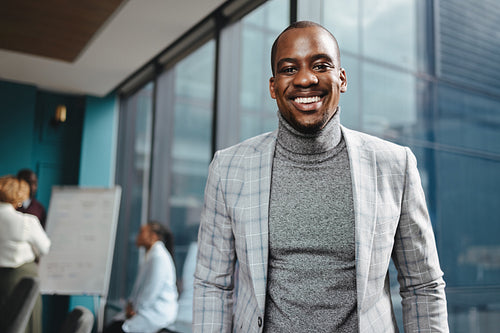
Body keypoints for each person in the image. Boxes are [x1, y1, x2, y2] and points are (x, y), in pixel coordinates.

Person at [193, 21, 448, 332]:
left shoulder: (394, 164)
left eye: (321, 65)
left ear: (341, 78)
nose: (305, 79)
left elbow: (423, 285)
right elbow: (212, 285)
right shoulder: (229, 168)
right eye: (289, 69)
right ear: (273, 87)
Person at [104, 222, 178, 333]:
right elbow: (140, 290)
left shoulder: (159, 257)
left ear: (153, 236)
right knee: (113, 327)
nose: (137, 236)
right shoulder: (151, 255)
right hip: (145, 310)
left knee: (115, 329)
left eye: (141, 232)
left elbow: (151, 290)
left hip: (156, 313)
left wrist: (135, 310)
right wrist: (131, 306)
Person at [0, 175, 51, 333]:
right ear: (18, 197)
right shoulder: (27, 221)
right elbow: (45, 248)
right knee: (26, 321)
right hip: (25, 277)